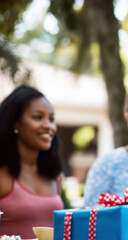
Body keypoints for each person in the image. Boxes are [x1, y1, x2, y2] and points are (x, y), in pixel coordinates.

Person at [0, 85, 63, 239]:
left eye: (51, 119)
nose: (48, 126)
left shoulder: (55, 176)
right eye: (37, 117)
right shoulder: (2, 175)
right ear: (15, 123)